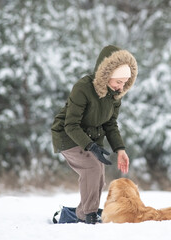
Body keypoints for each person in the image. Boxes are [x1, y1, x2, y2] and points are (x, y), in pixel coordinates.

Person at [51, 45, 138, 224]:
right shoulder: (83, 88)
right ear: (106, 75)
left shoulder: (115, 96)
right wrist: (90, 146)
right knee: (92, 167)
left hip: (91, 138)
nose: (121, 88)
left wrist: (120, 149)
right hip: (68, 136)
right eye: (118, 82)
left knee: (99, 174)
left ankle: (75, 213)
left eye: (125, 83)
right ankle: (86, 215)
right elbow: (71, 124)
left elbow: (110, 124)